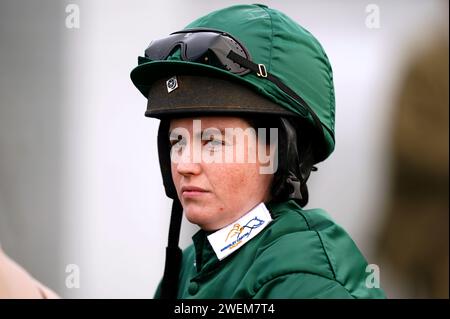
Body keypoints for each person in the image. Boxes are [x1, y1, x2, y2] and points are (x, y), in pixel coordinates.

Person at [130, 4, 386, 299]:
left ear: (279, 151)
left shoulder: (306, 280)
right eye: (177, 141)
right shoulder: (193, 263)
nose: (185, 165)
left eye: (212, 141)